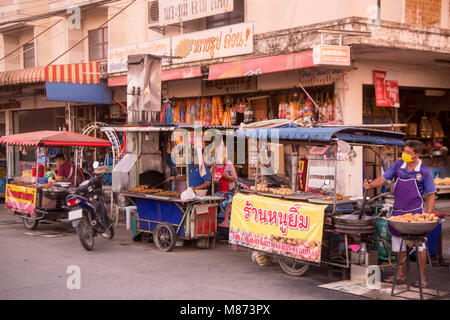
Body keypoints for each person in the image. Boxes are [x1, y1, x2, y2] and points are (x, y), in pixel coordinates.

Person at [364, 140, 436, 287]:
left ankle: (422, 278)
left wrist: (427, 216)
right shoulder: (398, 165)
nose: (405, 154)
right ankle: (400, 274)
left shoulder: (425, 171)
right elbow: (383, 179)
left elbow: (431, 194)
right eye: (404, 151)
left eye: (408, 152)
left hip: (415, 213)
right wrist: (371, 185)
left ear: (417, 154)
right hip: (397, 212)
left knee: (420, 247)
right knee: (398, 245)